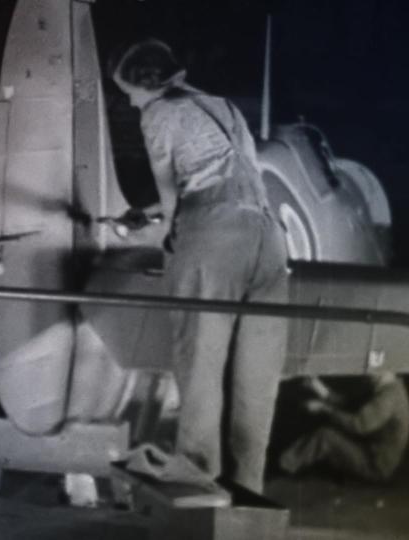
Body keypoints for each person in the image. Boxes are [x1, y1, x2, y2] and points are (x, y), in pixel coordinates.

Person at [110, 39, 289, 499]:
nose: (128, 100)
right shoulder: (220, 105)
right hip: (267, 240)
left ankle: (197, 472)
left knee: (200, 361)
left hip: (214, 240)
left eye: (127, 91)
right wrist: (147, 211)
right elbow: (228, 175)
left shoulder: (157, 114)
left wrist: (162, 238)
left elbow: (175, 202)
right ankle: (249, 482)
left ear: (146, 85)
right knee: (258, 373)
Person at [279, 373, 409, 482]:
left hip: (376, 466)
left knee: (325, 436)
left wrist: (324, 408)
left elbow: (359, 424)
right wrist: (320, 389)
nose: (367, 373)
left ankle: (282, 467)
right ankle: (288, 463)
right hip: (373, 453)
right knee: (333, 428)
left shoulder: (388, 397)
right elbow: (353, 405)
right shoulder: (392, 388)